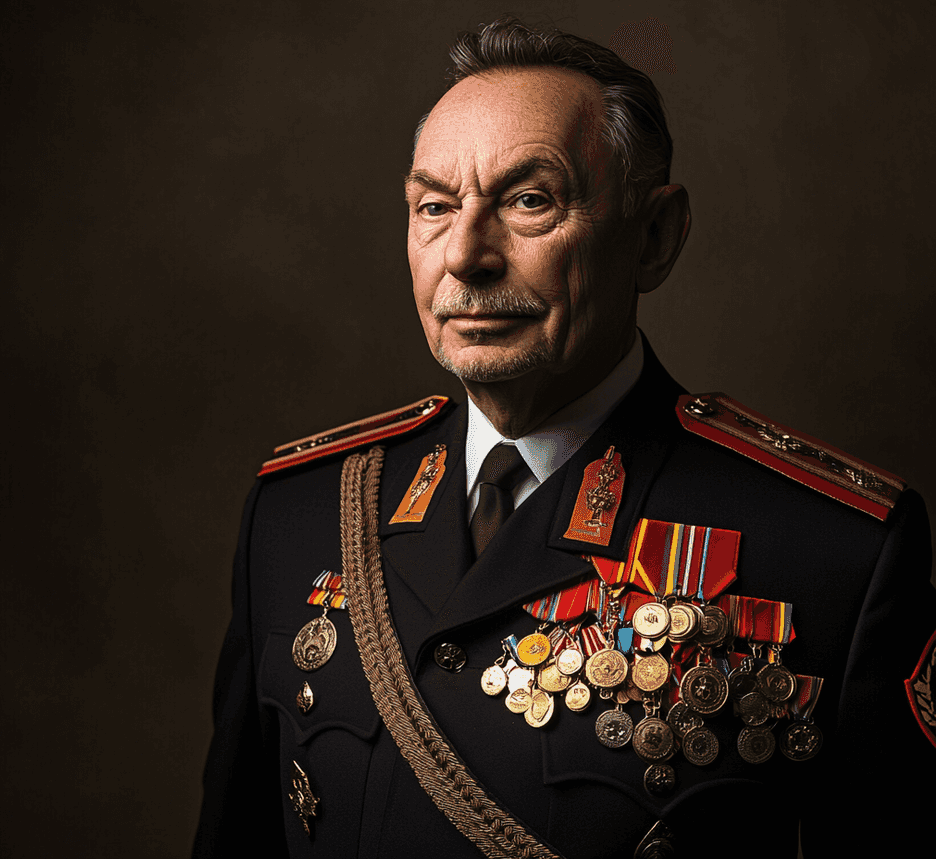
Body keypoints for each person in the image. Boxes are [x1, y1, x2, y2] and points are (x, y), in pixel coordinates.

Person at [193, 18, 936, 859]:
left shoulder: (830, 547)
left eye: (529, 201)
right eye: (434, 207)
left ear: (654, 238)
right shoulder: (299, 514)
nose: (466, 256)